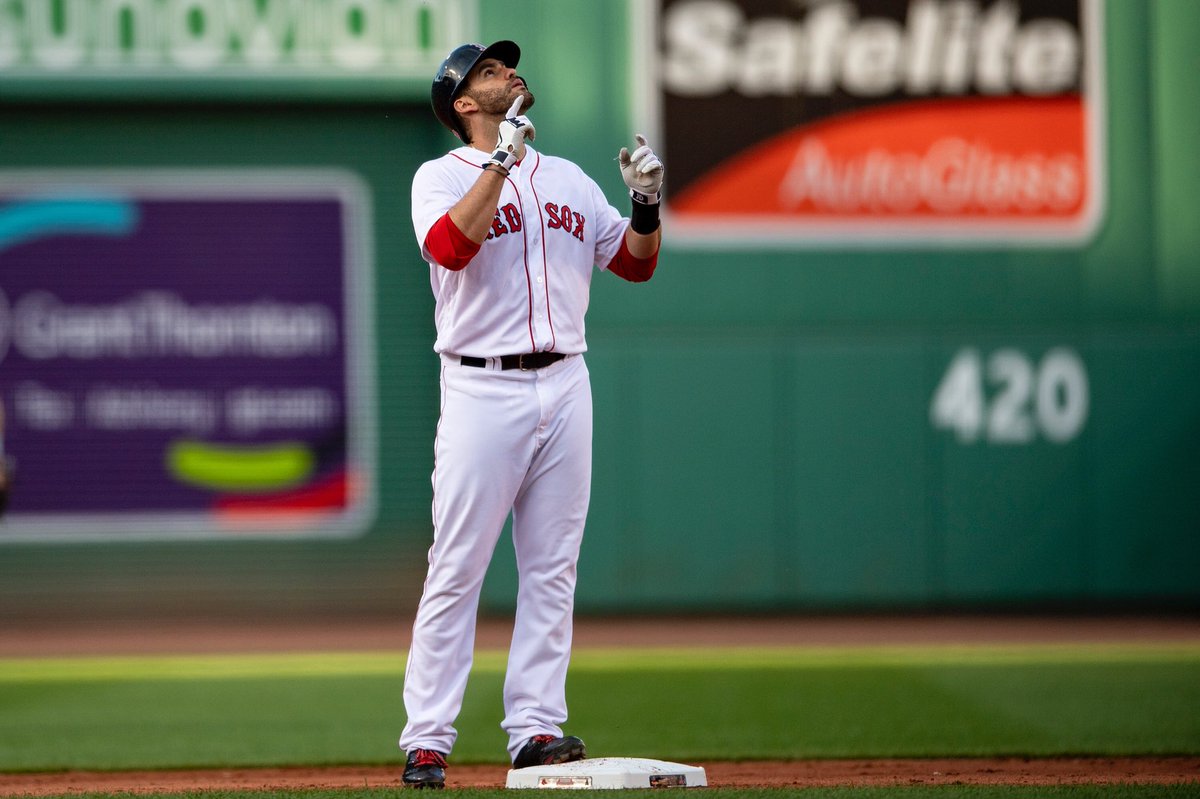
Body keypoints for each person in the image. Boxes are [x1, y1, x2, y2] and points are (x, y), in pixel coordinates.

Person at [400, 40, 665, 789]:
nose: (508, 73)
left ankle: (535, 727)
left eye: (506, 66)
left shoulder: (573, 180)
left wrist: (646, 201)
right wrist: (501, 164)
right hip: (482, 387)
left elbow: (637, 263)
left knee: (553, 568)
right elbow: (450, 248)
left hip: (566, 380)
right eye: (488, 71)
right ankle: (427, 738)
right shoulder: (438, 177)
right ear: (463, 104)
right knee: (457, 567)